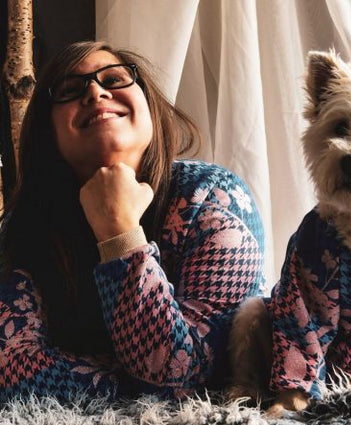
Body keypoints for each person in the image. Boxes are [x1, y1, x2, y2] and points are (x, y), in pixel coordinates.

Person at [0, 41, 265, 401]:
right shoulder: (26, 225)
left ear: (148, 105)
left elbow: (185, 377)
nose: (95, 91)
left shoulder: (214, 198)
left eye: (114, 78)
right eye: (70, 90)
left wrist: (119, 233)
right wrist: (139, 386)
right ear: (49, 131)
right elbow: (10, 368)